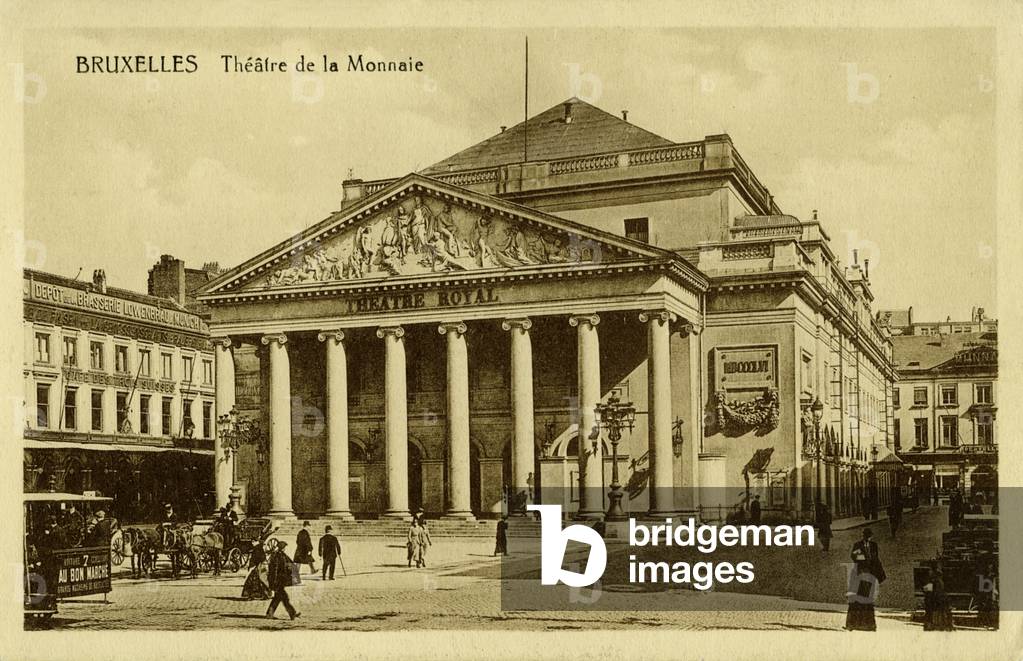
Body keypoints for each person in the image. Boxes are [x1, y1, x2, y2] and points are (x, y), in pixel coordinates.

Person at [845, 528, 886, 631]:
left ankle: (868, 624)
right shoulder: (858, 545)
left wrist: (880, 574)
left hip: (870, 575)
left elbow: (876, 559)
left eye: (869, 536)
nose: (867, 538)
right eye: (866, 536)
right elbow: (854, 556)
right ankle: (854, 623)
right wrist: (865, 561)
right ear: (863, 536)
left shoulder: (873, 545)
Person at [266, 541, 300, 620]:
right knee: (285, 598)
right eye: (284, 547)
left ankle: (269, 614)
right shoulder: (278, 556)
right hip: (278, 581)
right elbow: (275, 570)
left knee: (278, 598)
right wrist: (273, 582)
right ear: (282, 548)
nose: (285, 549)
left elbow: (289, 563)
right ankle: (292, 614)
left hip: (280, 580)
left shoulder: (279, 555)